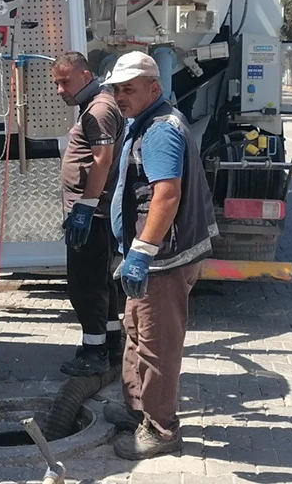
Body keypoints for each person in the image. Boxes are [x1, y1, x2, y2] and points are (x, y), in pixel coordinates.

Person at [103, 50, 217, 460]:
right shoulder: (146, 121)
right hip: (155, 256)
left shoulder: (160, 130)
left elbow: (166, 194)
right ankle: (139, 409)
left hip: (162, 260)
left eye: (128, 89)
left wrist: (141, 253)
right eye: (116, 89)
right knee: (136, 332)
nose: (119, 96)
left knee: (157, 345)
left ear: (155, 88)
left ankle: (163, 430)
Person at [52, 51, 126, 377]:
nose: (59, 89)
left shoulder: (99, 110)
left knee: (85, 285)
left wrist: (85, 207)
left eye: (64, 81)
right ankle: (110, 344)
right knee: (101, 282)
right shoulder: (96, 105)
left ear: (85, 76)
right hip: (96, 211)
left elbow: (102, 159)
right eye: (56, 83)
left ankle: (94, 354)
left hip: (93, 214)